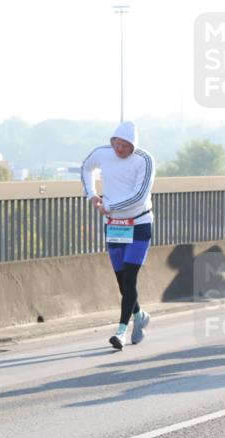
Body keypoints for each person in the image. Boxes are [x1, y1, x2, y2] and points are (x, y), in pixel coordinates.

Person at [81, 121, 156, 350]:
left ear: (133, 145)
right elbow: (86, 167)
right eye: (117, 144)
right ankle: (140, 314)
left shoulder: (144, 160)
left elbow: (139, 196)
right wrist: (92, 195)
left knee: (130, 276)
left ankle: (121, 331)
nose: (120, 149)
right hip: (114, 226)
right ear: (111, 141)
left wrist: (109, 206)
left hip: (139, 223)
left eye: (125, 145)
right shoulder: (102, 154)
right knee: (121, 280)